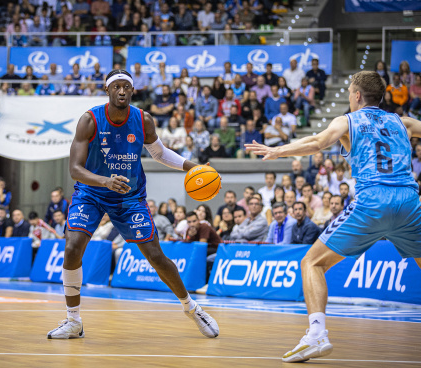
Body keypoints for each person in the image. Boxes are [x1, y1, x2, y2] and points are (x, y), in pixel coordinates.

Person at [245, 70, 421, 362]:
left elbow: (317, 142)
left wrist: (278, 151)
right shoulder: (403, 122)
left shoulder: (347, 121)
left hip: (372, 201)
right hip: (409, 201)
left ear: (355, 96)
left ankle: (316, 334)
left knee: (311, 262)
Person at [47, 69, 219, 340]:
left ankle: (192, 307)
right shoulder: (89, 120)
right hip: (92, 192)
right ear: (108, 90)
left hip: (130, 196)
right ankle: (73, 321)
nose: (122, 91)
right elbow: (75, 169)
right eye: (116, 86)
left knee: (155, 255)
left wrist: (192, 167)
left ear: (133, 90)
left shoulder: (143, 119)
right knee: (72, 247)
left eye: (126, 86)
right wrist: (105, 181)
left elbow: (160, 153)